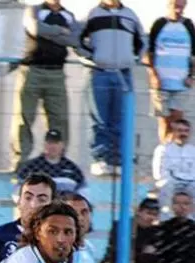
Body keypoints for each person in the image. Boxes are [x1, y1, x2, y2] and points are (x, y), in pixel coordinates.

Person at [79, 0, 146, 176]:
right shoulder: (93, 14)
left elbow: (141, 42)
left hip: (123, 74)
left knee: (120, 119)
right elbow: (77, 40)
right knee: (100, 119)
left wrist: (132, 59)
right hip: (99, 72)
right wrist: (91, 57)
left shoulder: (130, 15)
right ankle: (101, 159)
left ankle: (117, 160)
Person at [11, 0, 78, 169]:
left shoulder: (68, 15)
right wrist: (60, 31)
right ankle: (21, 162)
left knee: (59, 119)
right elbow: (35, 29)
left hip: (57, 72)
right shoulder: (33, 10)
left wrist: (49, 32)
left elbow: (74, 39)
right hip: (32, 70)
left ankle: (57, 161)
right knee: (24, 117)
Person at [144, 0, 195, 143]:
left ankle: (175, 151)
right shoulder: (160, 24)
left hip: (181, 82)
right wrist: (153, 75)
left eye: (181, 6)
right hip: (161, 82)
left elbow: (193, 54)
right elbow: (148, 52)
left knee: (178, 121)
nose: (178, 9)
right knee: (164, 121)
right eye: (175, 6)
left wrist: (192, 75)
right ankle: (165, 149)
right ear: (169, 5)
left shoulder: (188, 25)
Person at [15, 128, 87, 197]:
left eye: (56, 143)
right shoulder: (31, 167)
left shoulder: (72, 168)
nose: (52, 146)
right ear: (44, 145)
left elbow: (82, 190)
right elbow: (18, 189)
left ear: (62, 145)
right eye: (49, 143)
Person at [153, 118, 195, 212]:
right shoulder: (163, 149)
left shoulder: (193, 150)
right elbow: (160, 173)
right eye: (179, 130)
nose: (183, 134)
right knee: (166, 189)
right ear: (173, 132)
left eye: (186, 131)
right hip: (170, 183)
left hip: (190, 183)